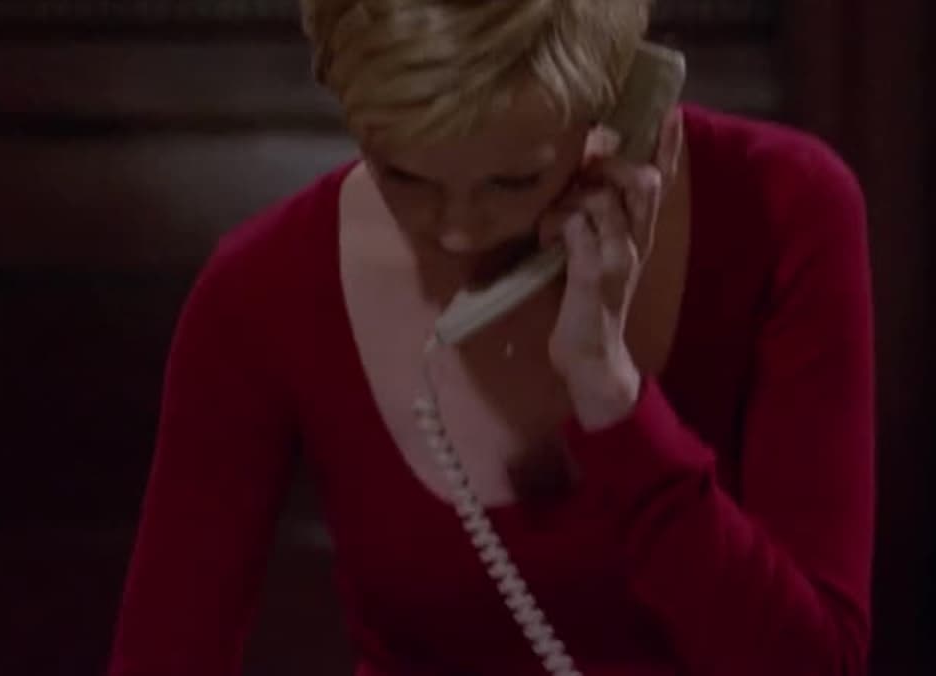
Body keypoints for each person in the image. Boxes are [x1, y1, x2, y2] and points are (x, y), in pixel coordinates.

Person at [109, 0, 875, 673]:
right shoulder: (261, 286)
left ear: (618, 104)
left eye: (513, 180)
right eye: (404, 174)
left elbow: (814, 665)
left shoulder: (785, 206)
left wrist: (612, 397)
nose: (457, 232)